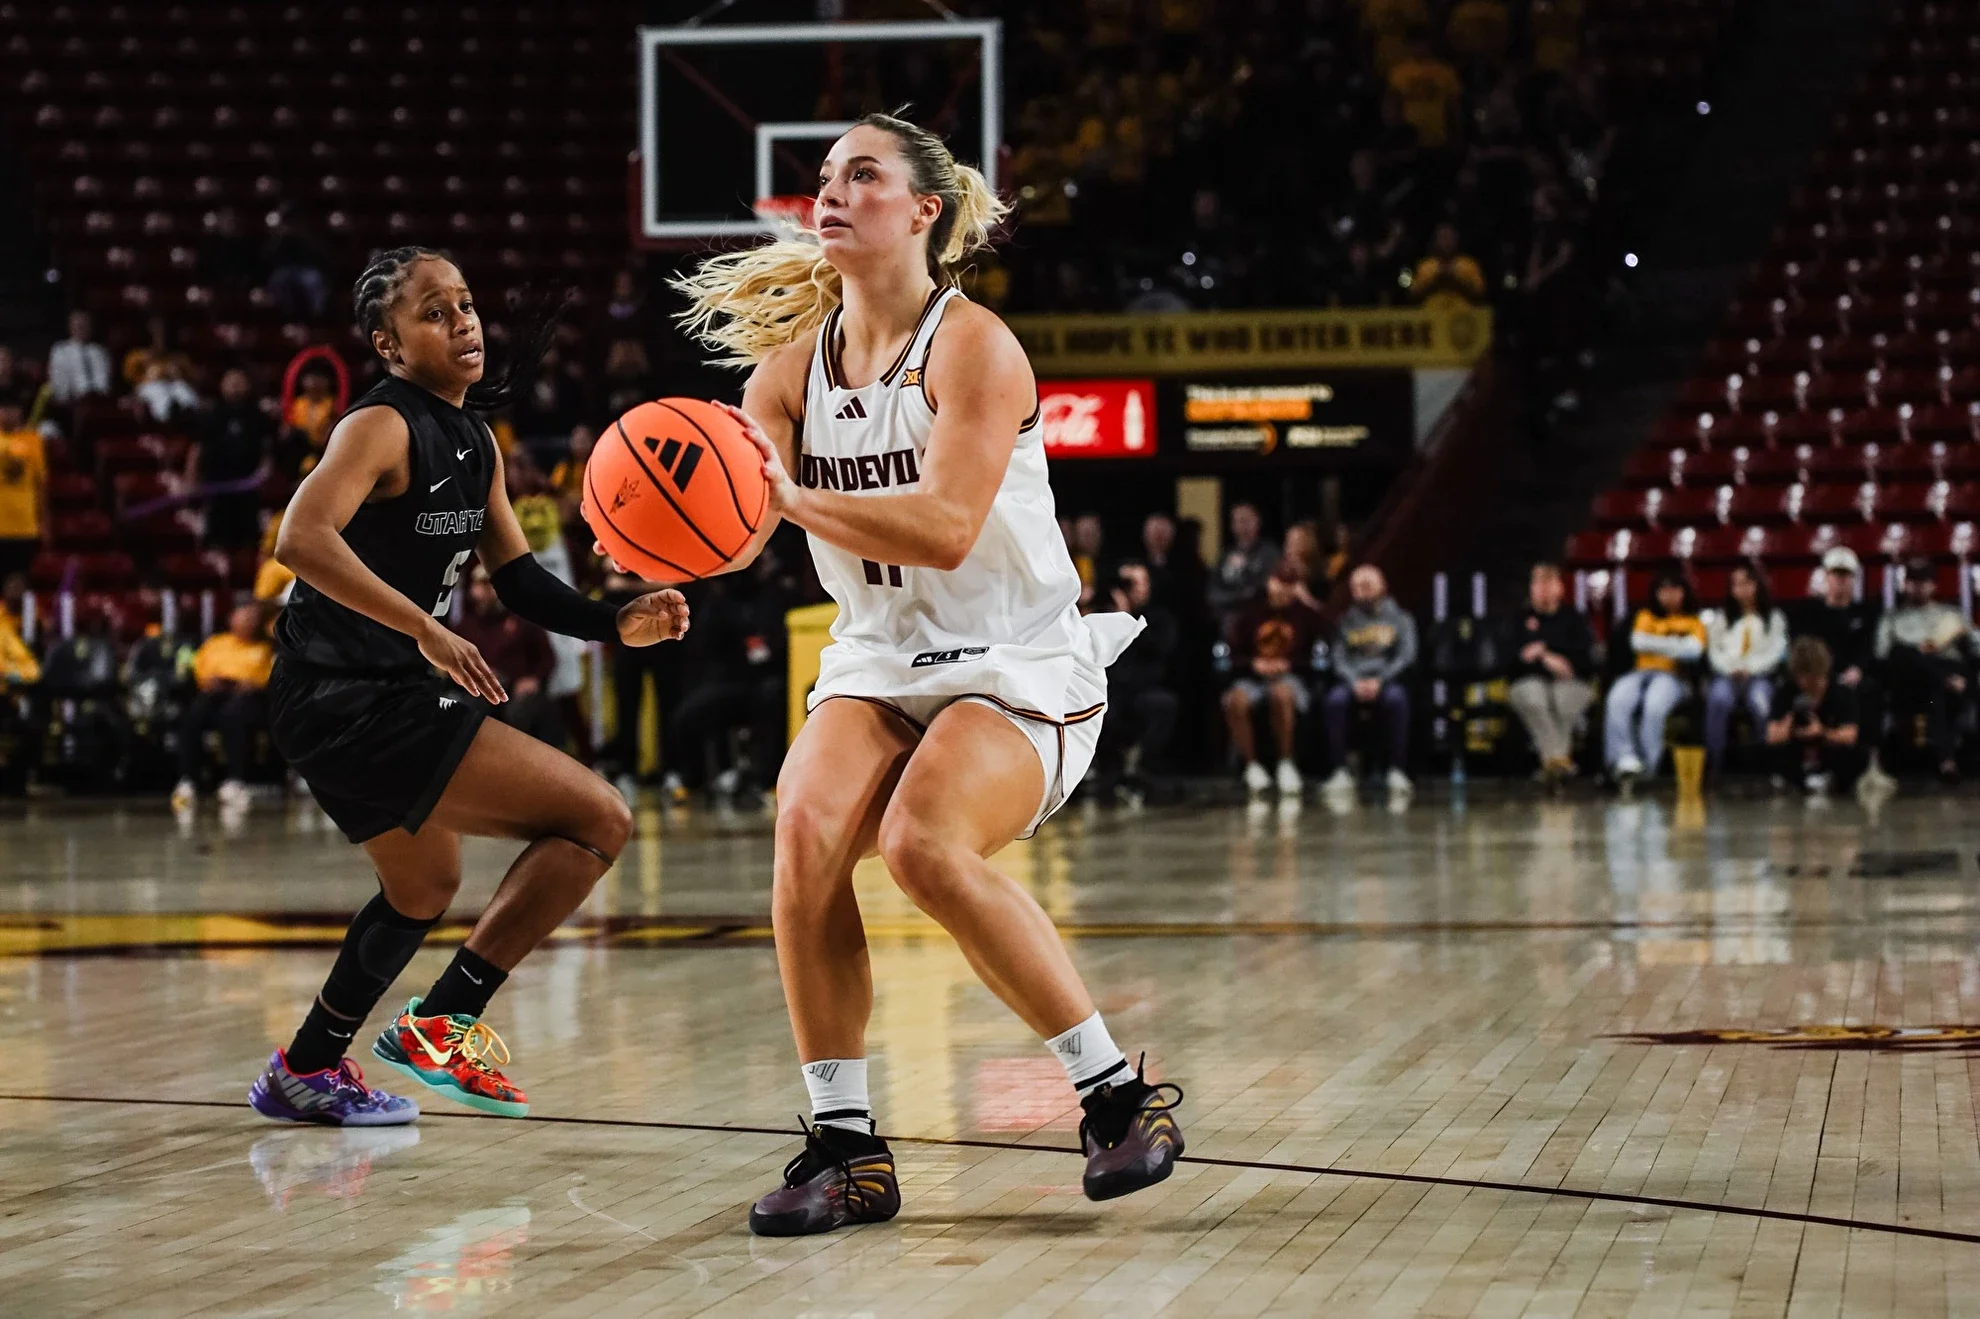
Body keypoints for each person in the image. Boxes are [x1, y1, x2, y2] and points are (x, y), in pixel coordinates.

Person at [672, 111, 1186, 1234]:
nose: (834, 189)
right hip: (878, 657)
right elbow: (737, 526)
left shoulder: (975, 346)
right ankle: (848, 1148)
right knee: (802, 830)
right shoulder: (784, 375)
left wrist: (782, 495)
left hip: (1013, 659)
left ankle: (1115, 1096)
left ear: (925, 212)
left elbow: (949, 525)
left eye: (864, 173)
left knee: (918, 844)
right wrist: (671, 554)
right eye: (825, 175)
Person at [247, 248, 689, 1129]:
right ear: (389, 343)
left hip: (356, 695)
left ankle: (304, 1068)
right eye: (434, 312)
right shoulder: (378, 427)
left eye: (467, 305)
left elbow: (518, 578)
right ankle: (443, 1023)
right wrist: (423, 625)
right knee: (599, 817)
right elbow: (299, 537)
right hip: (346, 693)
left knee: (423, 884)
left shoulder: (476, 439)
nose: (464, 323)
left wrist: (615, 621)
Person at [1224, 558, 1325, 798]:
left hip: (1291, 677)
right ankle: (1251, 766)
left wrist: (1288, 664)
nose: (1284, 589)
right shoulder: (1249, 611)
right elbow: (1232, 653)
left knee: (1281, 694)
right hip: (1253, 676)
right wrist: (1254, 664)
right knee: (1235, 701)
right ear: (1270, 582)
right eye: (1280, 582)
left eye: (1290, 583)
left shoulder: (1305, 615)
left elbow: (1321, 650)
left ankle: (1286, 762)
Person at [1320, 563, 1419, 801]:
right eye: (1356, 587)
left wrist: (1380, 681)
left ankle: (1397, 770)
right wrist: (1355, 682)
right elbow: (1338, 657)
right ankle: (1340, 770)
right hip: (1354, 681)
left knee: (1397, 699)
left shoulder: (1401, 618)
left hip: (1387, 680)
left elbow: (1407, 656)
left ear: (1382, 586)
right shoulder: (1346, 621)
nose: (1362, 591)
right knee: (1335, 701)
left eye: (1367, 585)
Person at [1876, 557, 1976, 782]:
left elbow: (1974, 648)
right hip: (1910, 680)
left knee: (1940, 687)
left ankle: (1946, 759)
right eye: (1913, 581)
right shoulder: (1892, 618)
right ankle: (1946, 760)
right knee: (1904, 654)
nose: (1918, 586)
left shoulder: (1951, 614)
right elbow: (1882, 654)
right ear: (1905, 584)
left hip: (1949, 671)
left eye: (1924, 581)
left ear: (1934, 585)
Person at [171, 601, 275, 812]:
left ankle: (235, 780)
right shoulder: (214, 643)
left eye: (254, 617)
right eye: (244, 616)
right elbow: (200, 673)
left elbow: (267, 680)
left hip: (250, 700)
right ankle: (189, 779)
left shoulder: (265, 648)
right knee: (194, 715)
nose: (249, 621)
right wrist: (212, 682)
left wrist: (248, 685)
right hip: (215, 696)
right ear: (231, 618)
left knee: (235, 715)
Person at [1603, 572, 1706, 784]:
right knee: (1618, 699)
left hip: (1673, 677)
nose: (1669, 596)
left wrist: (1655, 643)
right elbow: (1638, 642)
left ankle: (1650, 766)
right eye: (1663, 591)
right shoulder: (1644, 615)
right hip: (1639, 673)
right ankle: (1623, 759)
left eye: (1675, 591)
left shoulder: (1693, 621)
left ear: (1684, 593)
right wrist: (1677, 645)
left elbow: (1695, 651)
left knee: (1654, 706)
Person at [1092, 560, 1178, 801]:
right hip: (1113, 691)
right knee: (1100, 708)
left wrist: (1128, 618)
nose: (1134, 589)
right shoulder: (1104, 617)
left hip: (1145, 688)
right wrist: (1114, 615)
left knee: (1163, 705)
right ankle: (1109, 774)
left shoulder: (1160, 617)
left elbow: (1159, 649)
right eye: (1127, 583)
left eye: (1138, 582)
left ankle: (1142, 766)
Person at [1504, 560, 1595, 782]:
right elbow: (1512, 661)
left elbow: (1585, 661)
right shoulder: (1518, 619)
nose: (1543, 588)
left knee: (1562, 699)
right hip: (1528, 683)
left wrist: (1543, 653)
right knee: (1535, 697)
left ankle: (1552, 763)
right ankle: (1560, 760)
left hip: (1572, 682)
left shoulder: (1574, 619)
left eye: (1549, 581)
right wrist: (1548, 659)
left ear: (1560, 587)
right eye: (1538, 582)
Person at [453, 567, 562, 749]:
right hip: (481, 690)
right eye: (480, 584)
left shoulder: (523, 620)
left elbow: (546, 658)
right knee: (473, 707)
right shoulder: (466, 626)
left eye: (489, 585)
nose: (485, 591)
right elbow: (454, 663)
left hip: (518, 688)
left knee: (522, 709)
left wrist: (533, 679)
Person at [1702, 564, 1787, 775]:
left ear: (1757, 585)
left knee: (1761, 704)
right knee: (1718, 700)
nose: (1742, 590)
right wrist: (1730, 668)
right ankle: (1714, 765)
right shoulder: (1723, 619)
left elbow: (1776, 652)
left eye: (1747, 584)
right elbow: (1714, 651)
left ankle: (1767, 765)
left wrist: (1751, 668)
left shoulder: (1774, 618)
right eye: (1736, 585)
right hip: (1728, 675)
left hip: (1759, 676)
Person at [187, 368, 274, 553]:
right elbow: (198, 448)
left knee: (248, 539)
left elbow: (267, 449)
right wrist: (191, 476)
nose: (235, 386)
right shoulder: (212, 415)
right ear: (221, 385)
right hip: (217, 486)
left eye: (239, 381)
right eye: (230, 381)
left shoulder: (257, 415)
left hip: (247, 488)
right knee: (217, 538)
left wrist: (264, 472)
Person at [1765, 637, 1864, 796]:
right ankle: (1792, 778)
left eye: (1810, 678)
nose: (1804, 684)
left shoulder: (1841, 693)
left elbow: (1850, 735)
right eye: (1800, 677)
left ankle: (1827, 778)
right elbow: (1772, 736)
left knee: (1854, 755)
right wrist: (1791, 720)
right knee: (1772, 753)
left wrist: (1822, 732)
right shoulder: (1787, 691)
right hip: (1796, 748)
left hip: (1828, 749)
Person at [1207, 501, 1276, 630]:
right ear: (1232, 526)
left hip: (1260, 618)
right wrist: (1239, 596)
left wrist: (1246, 570)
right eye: (1238, 521)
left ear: (1258, 522)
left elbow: (1266, 588)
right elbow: (1213, 592)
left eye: (1247, 520)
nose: (1243, 526)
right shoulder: (1224, 556)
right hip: (1227, 618)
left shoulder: (1269, 553)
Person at [0, 397, 46, 579]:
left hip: (25, 526)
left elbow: (41, 484)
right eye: (4, 409)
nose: (8, 414)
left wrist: (44, 522)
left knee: (21, 584)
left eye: (13, 409)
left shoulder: (33, 440)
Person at [1412, 222, 1488, 309]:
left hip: (1462, 317)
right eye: (1442, 237)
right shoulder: (1425, 266)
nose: (1446, 241)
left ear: (1456, 239)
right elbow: (1414, 295)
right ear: (1435, 241)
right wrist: (1436, 278)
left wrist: (1457, 278)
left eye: (1450, 237)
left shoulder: (1469, 264)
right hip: (1432, 316)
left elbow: (1480, 293)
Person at [47, 310, 112, 407]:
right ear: (70, 327)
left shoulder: (99, 351)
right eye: (78, 325)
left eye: (84, 325)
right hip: (73, 403)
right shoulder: (61, 350)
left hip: (99, 401)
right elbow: (59, 383)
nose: (81, 329)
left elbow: (105, 380)